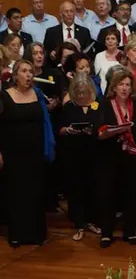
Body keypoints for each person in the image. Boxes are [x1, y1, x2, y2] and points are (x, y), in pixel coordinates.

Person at [0, 59, 55, 247]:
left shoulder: (37, 94)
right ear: (15, 76)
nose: (29, 75)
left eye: (31, 72)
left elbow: (44, 122)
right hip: (13, 153)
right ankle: (17, 234)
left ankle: (36, 234)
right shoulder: (5, 96)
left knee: (36, 192)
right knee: (16, 193)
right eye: (24, 71)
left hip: (35, 152)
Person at [96, 68, 136, 248]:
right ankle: (106, 233)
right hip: (110, 155)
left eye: (128, 85)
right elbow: (99, 131)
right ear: (114, 87)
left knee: (132, 194)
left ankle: (130, 232)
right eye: (121, 85)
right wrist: (110, 132)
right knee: (108, 194)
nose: (125, 88)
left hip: (131, 156)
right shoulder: (105, 104)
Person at [57, 72, 101, 241]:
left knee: (93, 187)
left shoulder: (97, 105)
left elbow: (103, 126)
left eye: (85, 91)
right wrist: (69, 130)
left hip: (94, 152)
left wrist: (94, 130)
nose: (82, 95)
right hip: (74, 153)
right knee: (76, 189)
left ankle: (92, 220)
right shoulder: (69, 107)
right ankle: (79, 223)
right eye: (79, 92)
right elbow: (59, 129)